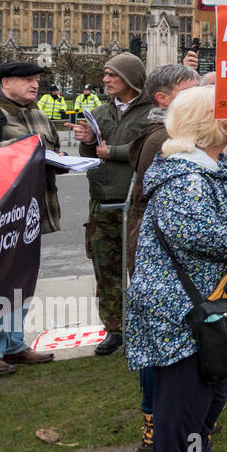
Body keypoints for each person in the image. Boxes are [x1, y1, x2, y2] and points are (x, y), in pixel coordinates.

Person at [125, 86, 227, 452]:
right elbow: (192, 231)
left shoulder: (216, 166)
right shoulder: (184, 174)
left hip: (208, 299)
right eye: (226, 112)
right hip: (176, 302)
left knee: (212, 382)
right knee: (181, 391)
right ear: (205, 123)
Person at [123, 63, 201, 452]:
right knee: (160, 345)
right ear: (163, 98)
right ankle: (153, 420)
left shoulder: (175, 133)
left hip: (167, 255)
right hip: (159, 258)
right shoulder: (161, 139)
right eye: (192, 89)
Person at [72, 52, 154, 356]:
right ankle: (114, 329)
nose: (105, 80)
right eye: (105, 74)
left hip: (134, 202)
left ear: (130, 79)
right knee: (105, 268)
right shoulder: (101, 112)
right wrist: (86, 139)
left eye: (112, 75)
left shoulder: (150, 113)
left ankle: (145, 325)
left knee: (140, 267)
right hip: (101, 199)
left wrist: (113, 151)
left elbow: (147, 145)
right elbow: (92, 152)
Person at [0, 61, 64, 376]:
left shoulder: (37, 112)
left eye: (36, 80)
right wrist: (26, 150)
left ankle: (15, 345)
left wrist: (61, 160)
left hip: (32, 211)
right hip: (4, 214)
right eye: (27, 79)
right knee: (0, 280)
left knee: (23, 278)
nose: (34, 85)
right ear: (5, 82)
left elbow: (52, 149)